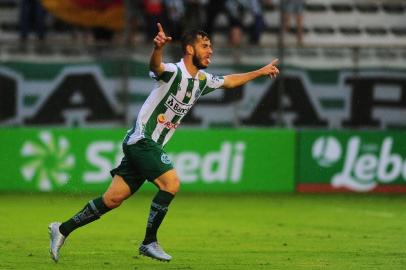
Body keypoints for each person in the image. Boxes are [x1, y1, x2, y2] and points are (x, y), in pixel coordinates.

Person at [48, 23, 279, 263]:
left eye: (211, 46)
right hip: (142, 140)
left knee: (112, 199)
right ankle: (149, 242)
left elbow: (230, 80)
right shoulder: (173, 72)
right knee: (171, 183)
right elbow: (155, 66)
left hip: (148, 145)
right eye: (205, 46)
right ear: (189, 49)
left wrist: (260, 72)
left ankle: (61, 229)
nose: (210, 51)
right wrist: (157, 48)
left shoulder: (201, 81)